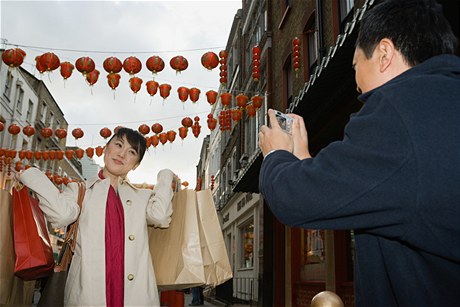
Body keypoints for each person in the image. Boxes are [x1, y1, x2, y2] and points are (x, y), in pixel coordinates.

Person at [258, 0, 460, 306]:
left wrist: (275, 155)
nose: (355, 82)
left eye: (355, 65)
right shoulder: (440, 104)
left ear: (383, 54)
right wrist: (304, 160)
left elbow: (293, 199)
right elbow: (384, 189)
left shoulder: (397, 110)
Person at [18, 127, 176, 306]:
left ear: (136, 164)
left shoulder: (143, 196)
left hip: (136, 296)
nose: (122, 154)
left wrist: (165, 177)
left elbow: (160, 217)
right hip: (88, 293)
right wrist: (31, 174)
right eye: (118, 145)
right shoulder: (80, 190)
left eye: (131, 152)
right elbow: (61, 216)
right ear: (105, 148)